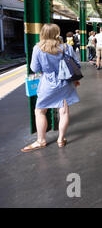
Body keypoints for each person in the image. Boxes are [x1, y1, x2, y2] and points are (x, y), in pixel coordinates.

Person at [21, 23, 80, 152]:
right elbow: (77, 64)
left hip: (47, 83)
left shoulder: (38, 48)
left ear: (43, 34)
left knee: (40, 111)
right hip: (65, 82)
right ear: (57, 33)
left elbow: (34, 68)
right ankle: (61, 139)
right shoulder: (66, 47)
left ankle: (41, 140)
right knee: (63, 111)